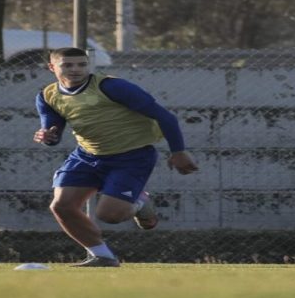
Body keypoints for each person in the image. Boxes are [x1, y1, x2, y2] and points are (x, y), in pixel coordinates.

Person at [34, 47, 198, 267]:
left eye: (82, 64)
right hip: (87, 155)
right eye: (68, 65)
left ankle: (140, 203)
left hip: (131, 156)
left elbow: (165, 117)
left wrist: (178, 151)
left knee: (110, 215)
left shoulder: (112, 87)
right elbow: (53, 133)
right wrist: (47, 136)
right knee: (61, 206)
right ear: (52, 67)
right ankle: (102, 256)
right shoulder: (47, 95)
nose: (76, 69)